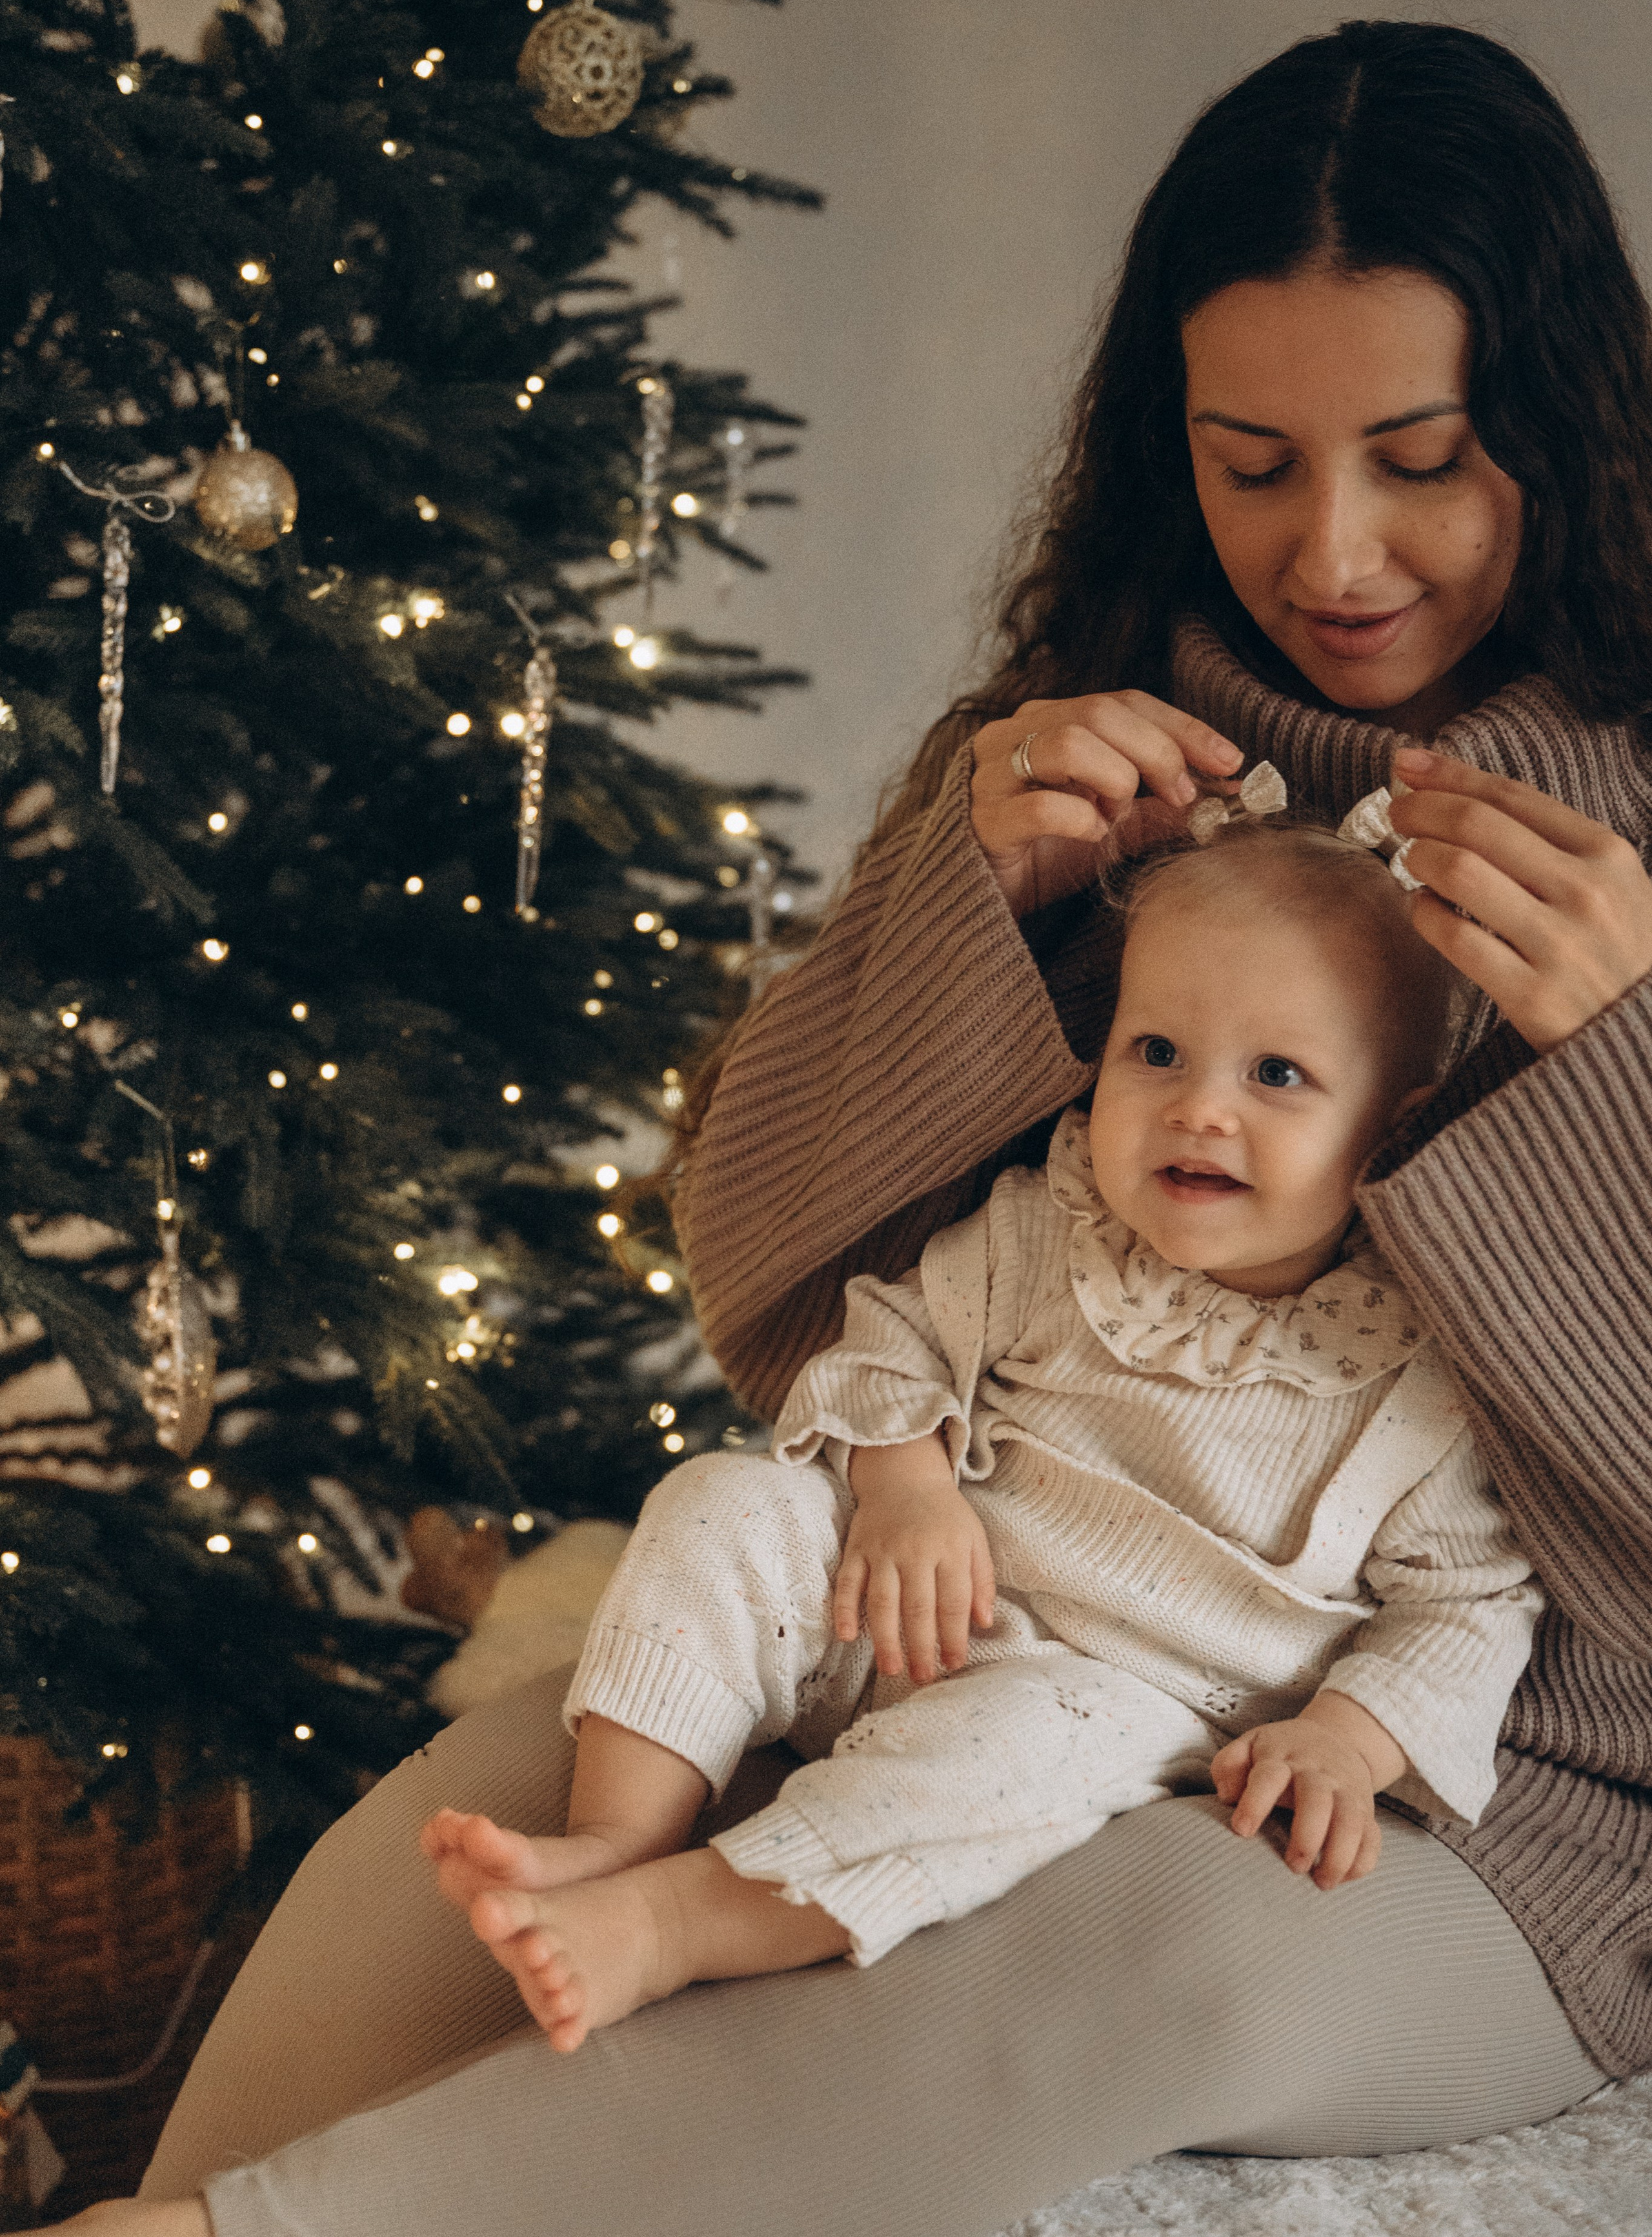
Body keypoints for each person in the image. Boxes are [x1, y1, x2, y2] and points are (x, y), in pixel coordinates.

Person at [74, 17, 1652, 2237]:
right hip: (964, 1617)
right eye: (1252, 460)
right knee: (500, 1794)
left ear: (1567, 436)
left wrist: (1625, 1069)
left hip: (1476, 1791)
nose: (1342, 552)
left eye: (1425, 457)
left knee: (1117, 1945)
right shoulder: (1078, 751)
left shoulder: (1635, 830)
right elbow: (763, 1289)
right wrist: (962, 914)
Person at [419, 813, 1545, 2055]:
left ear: (1395, 1125)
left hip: (1111, 1696)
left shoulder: (1415, 1372)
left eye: (1276, 1076)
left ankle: (678, 1922)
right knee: (724, 1501)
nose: (1198, 1113)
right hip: (894, 1606)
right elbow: (888, 1341)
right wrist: (904, 1490)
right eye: (1157, 1052)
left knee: (1014, 1751)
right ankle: (620, 1831)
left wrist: (1345, 1738)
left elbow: (1470, 1603)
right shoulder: (1047, 1230)